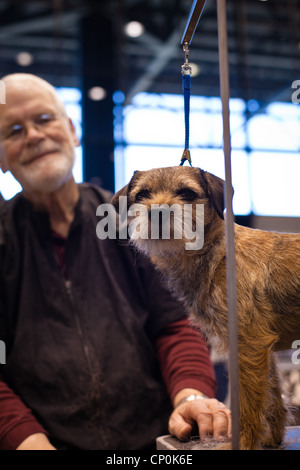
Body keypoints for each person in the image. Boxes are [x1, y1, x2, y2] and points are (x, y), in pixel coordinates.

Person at [0, 73, 231, 450]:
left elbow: (175, 325)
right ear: (2, 159)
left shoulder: (129, 220)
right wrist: (26, 441)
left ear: (72, 130)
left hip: (156, 438)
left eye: (44, 119)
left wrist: (191, 398)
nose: (34, 135)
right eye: (13, 130)